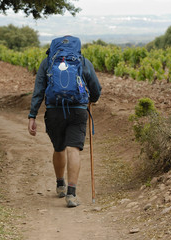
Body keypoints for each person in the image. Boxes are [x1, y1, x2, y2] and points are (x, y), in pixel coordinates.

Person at [27, 36, 102, 208]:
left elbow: (38, 90)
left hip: (54, 111)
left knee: (59, 147)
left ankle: (60, 185)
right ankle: (71, 194)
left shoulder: (47, 62)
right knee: (73, 149)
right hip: (78, 110)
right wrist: (93, 99)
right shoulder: (82, 61)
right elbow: (95, 88)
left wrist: (32, 115)